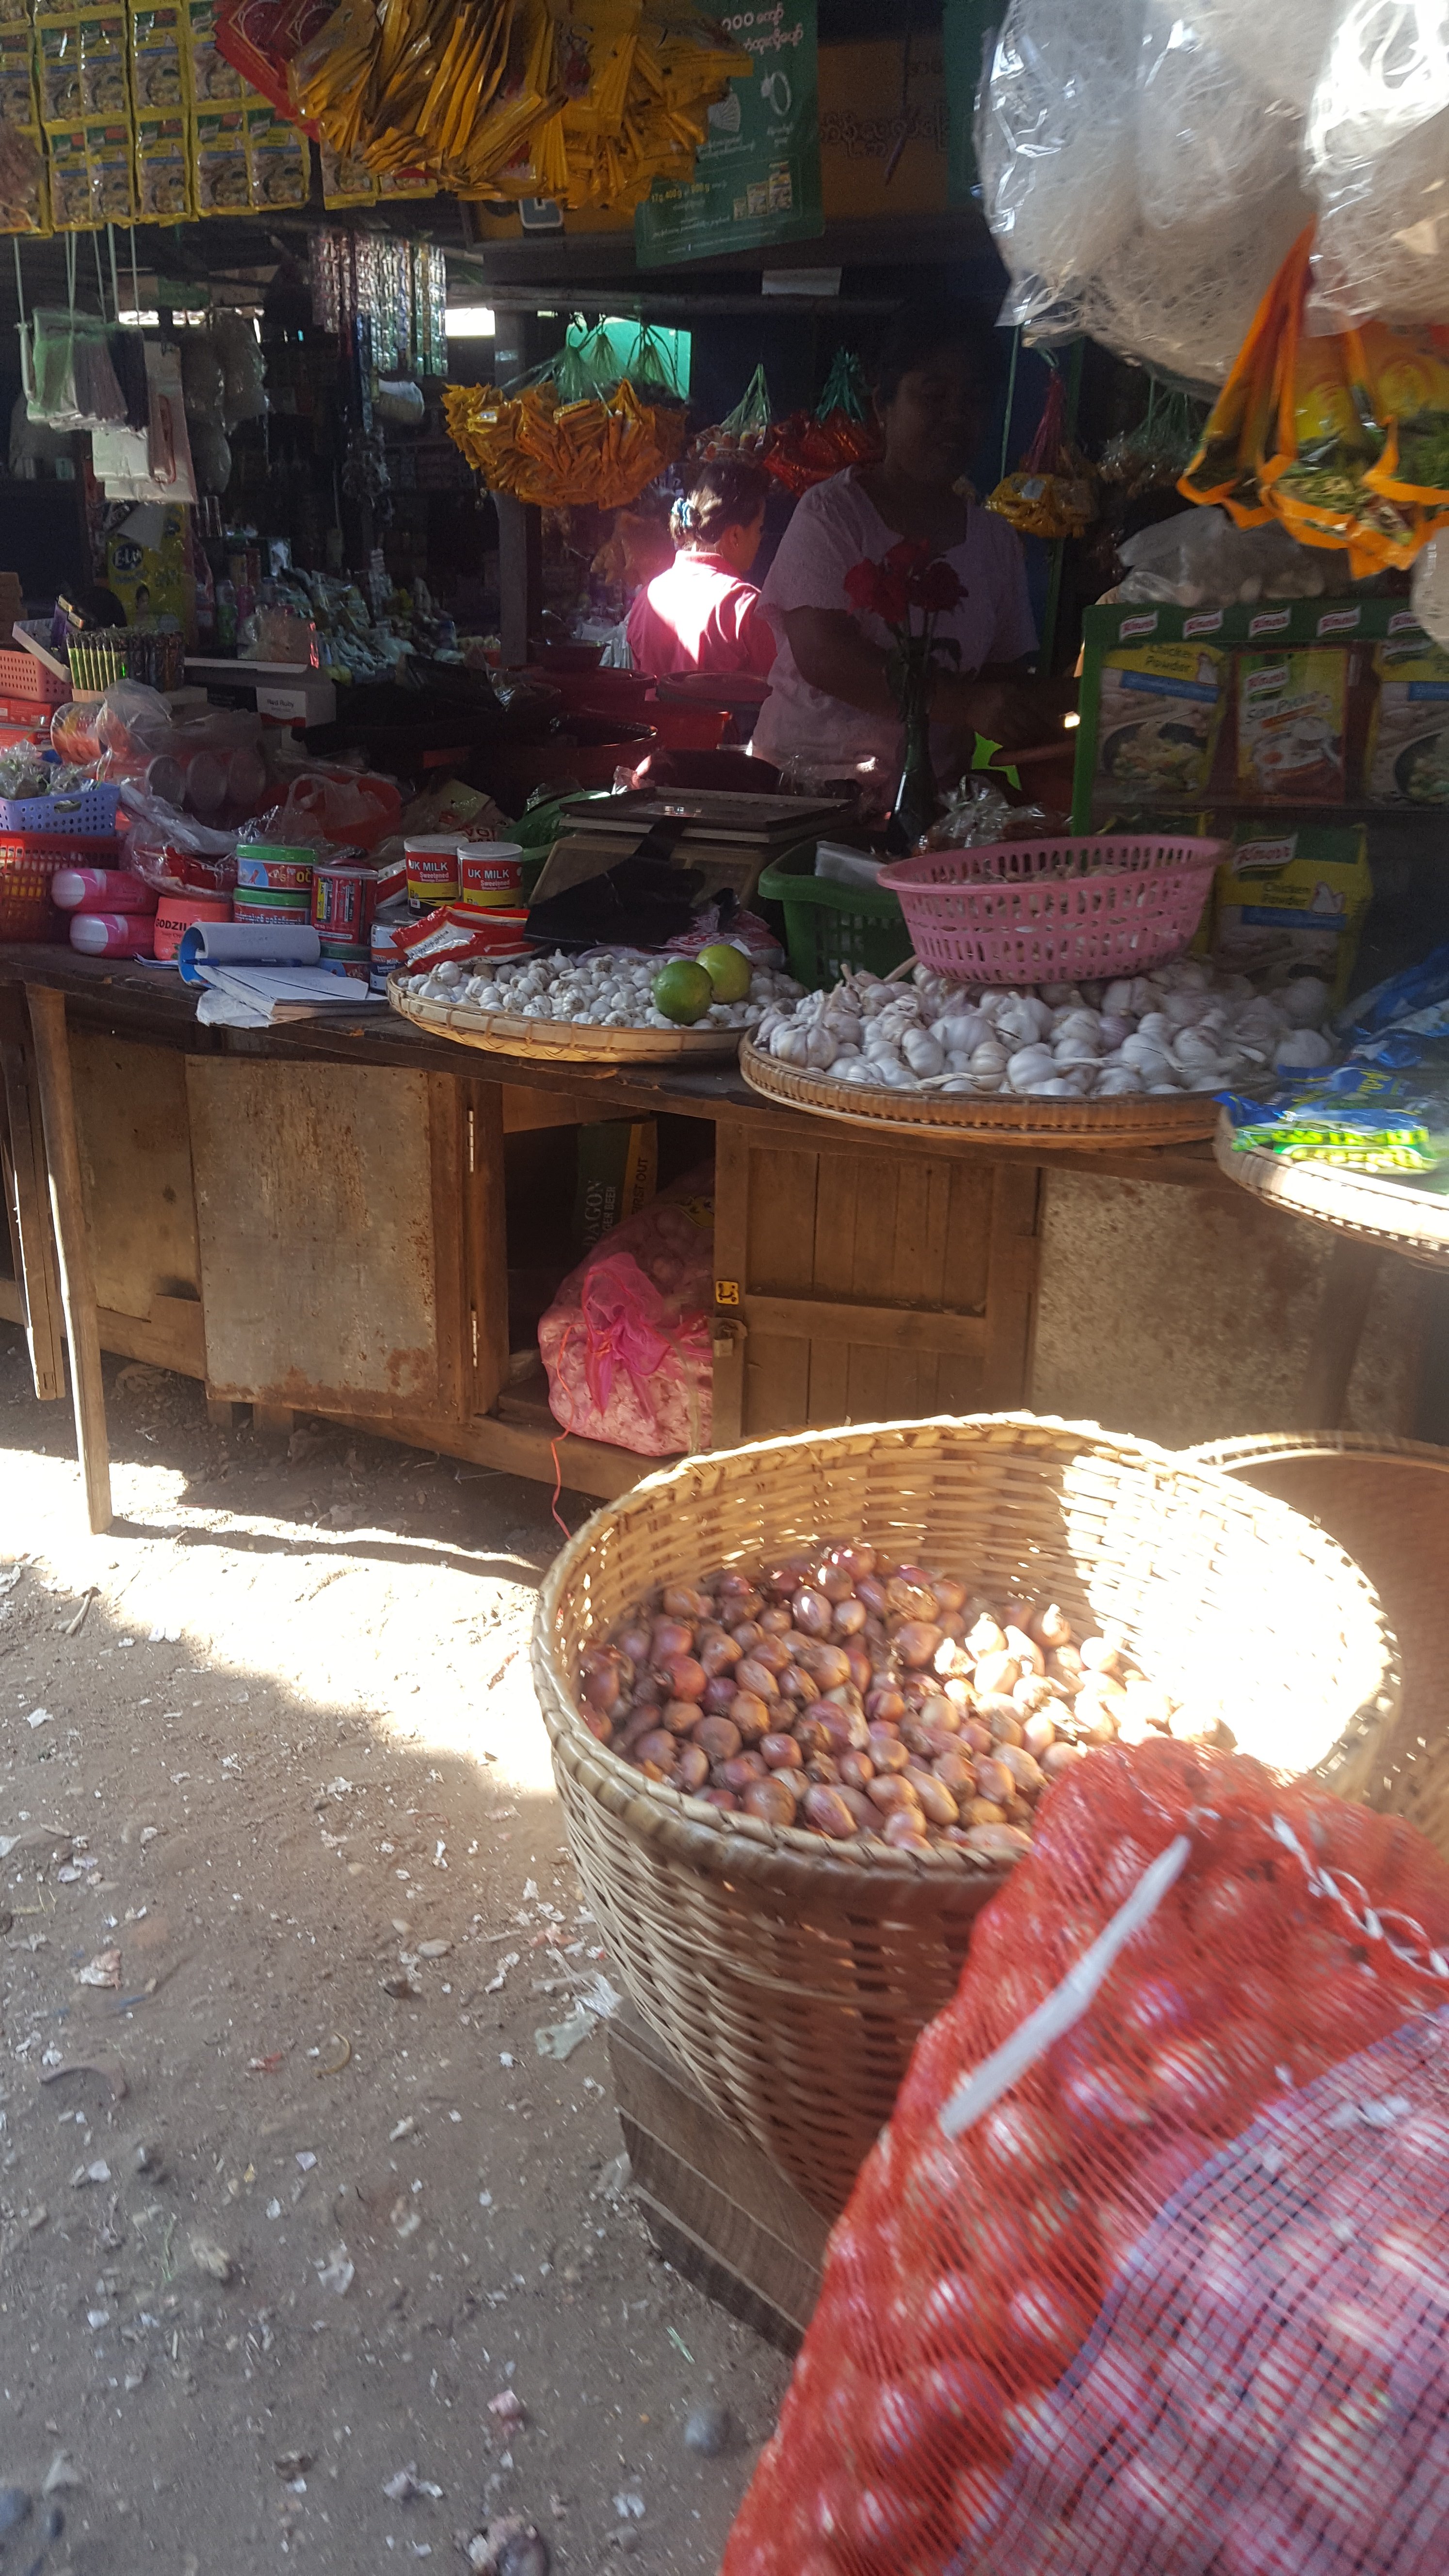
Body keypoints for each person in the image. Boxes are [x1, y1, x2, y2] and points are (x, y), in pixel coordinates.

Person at [751, 303, 1067, 780]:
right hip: (808, 790)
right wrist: (964, 704)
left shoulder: (996, 541)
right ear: (884, 405)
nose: (955, 418)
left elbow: (1000, 681)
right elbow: (825, 658)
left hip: (930, 800)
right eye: (934, 396)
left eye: (973, 401)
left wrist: (1095, 696)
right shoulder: (832, 513)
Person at [627, 458, 777, 682]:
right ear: (735, 535)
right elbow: (781, 690)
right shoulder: (744, 606)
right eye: (759, 529)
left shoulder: (648, 597)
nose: (760, 539)